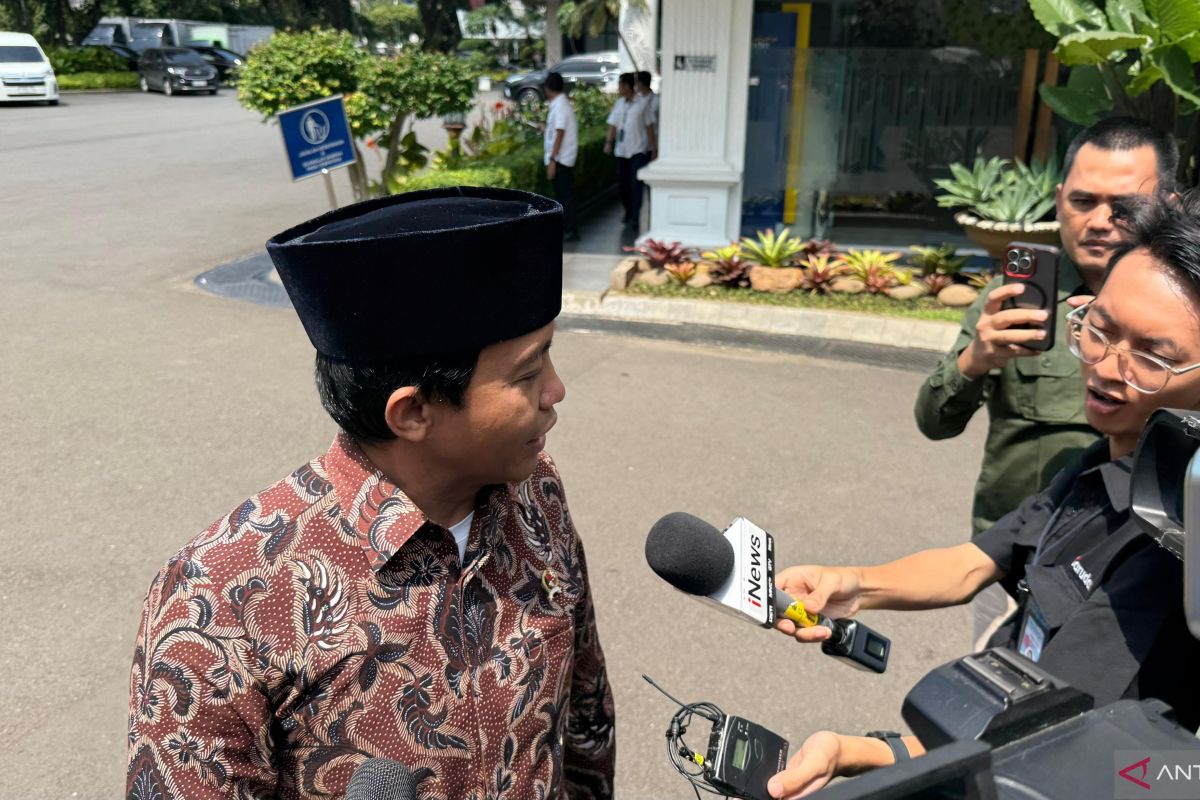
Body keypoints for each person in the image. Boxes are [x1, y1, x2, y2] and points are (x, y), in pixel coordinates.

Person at [126, 188, 616, 800]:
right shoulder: (220, 598)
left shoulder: (535, 491)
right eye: (527, 374)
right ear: (411, 414)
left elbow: (587, 711)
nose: (556, 390)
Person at [767, 191, 1200, 799]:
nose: (1105, 368)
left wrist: (862, 754)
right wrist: (854, 585)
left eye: (1153, 356)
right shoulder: (1105, 457)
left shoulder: (1167, 540)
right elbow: (976, 561)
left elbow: (1044, 740)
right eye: (1099, 330)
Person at [915, 117, 1178, 538]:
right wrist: (974, 361)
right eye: (1082, 201)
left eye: (1125, 206)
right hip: (1016, 549)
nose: (1099, 220)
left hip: (1141, 553)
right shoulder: (1011, 300)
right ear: (1059, 201)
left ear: (1168, 205)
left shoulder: (1188, 316)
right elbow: (934, 423)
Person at [604, 72, 652, 229]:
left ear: (628, 86)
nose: (619, 88)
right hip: (621, 150)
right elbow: (613, 125)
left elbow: (649, 127)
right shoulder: (619, 104)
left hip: (638, 150)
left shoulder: (642, 104)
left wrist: (653, 148)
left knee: (635, 185)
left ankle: (635, 216)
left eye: (621, 85)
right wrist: (608, 142)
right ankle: (628, 211)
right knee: (623, 184)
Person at [544, 72, 580, 242]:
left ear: (548, 88)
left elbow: (560, 133)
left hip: (561, 160)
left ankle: (570, 229)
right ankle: (568, 228)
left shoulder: (560, 106)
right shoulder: (560, 104)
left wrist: (553, 160)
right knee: (564, 195)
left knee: (564, 197)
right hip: (562, 158)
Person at [636, 70, 659, 161]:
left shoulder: (657, 101)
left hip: (652, 144)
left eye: (636, 82)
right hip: (638, 145)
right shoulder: (636, 100)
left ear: (641, 83)